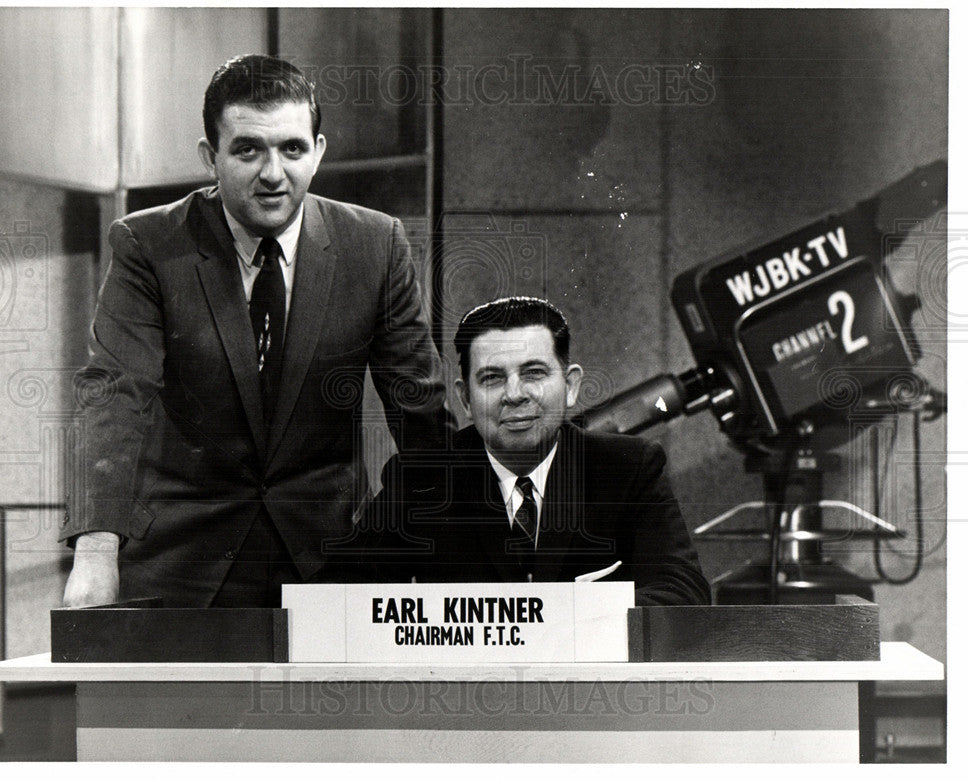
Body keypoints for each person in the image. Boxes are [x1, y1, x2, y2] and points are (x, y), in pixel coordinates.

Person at [61, 54, 452, 608]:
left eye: (292, 148)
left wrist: (444, 543)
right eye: (248, 149)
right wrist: (96, 553)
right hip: (181, 567)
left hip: (331, 564)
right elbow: (114, 396)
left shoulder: (376, 244)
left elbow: (420, 411)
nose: (273, 173)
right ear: (210, 157)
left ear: (318, 152)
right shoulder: (148, 245)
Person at [363, 296, 711, 605]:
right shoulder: (420, 479)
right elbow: (345, 593)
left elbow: (683, 591)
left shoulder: (628, 468)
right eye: (492, 378)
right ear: (465, 398)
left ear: (571, 386)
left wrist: (568, 622)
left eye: (533, 373)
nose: (514, 394)